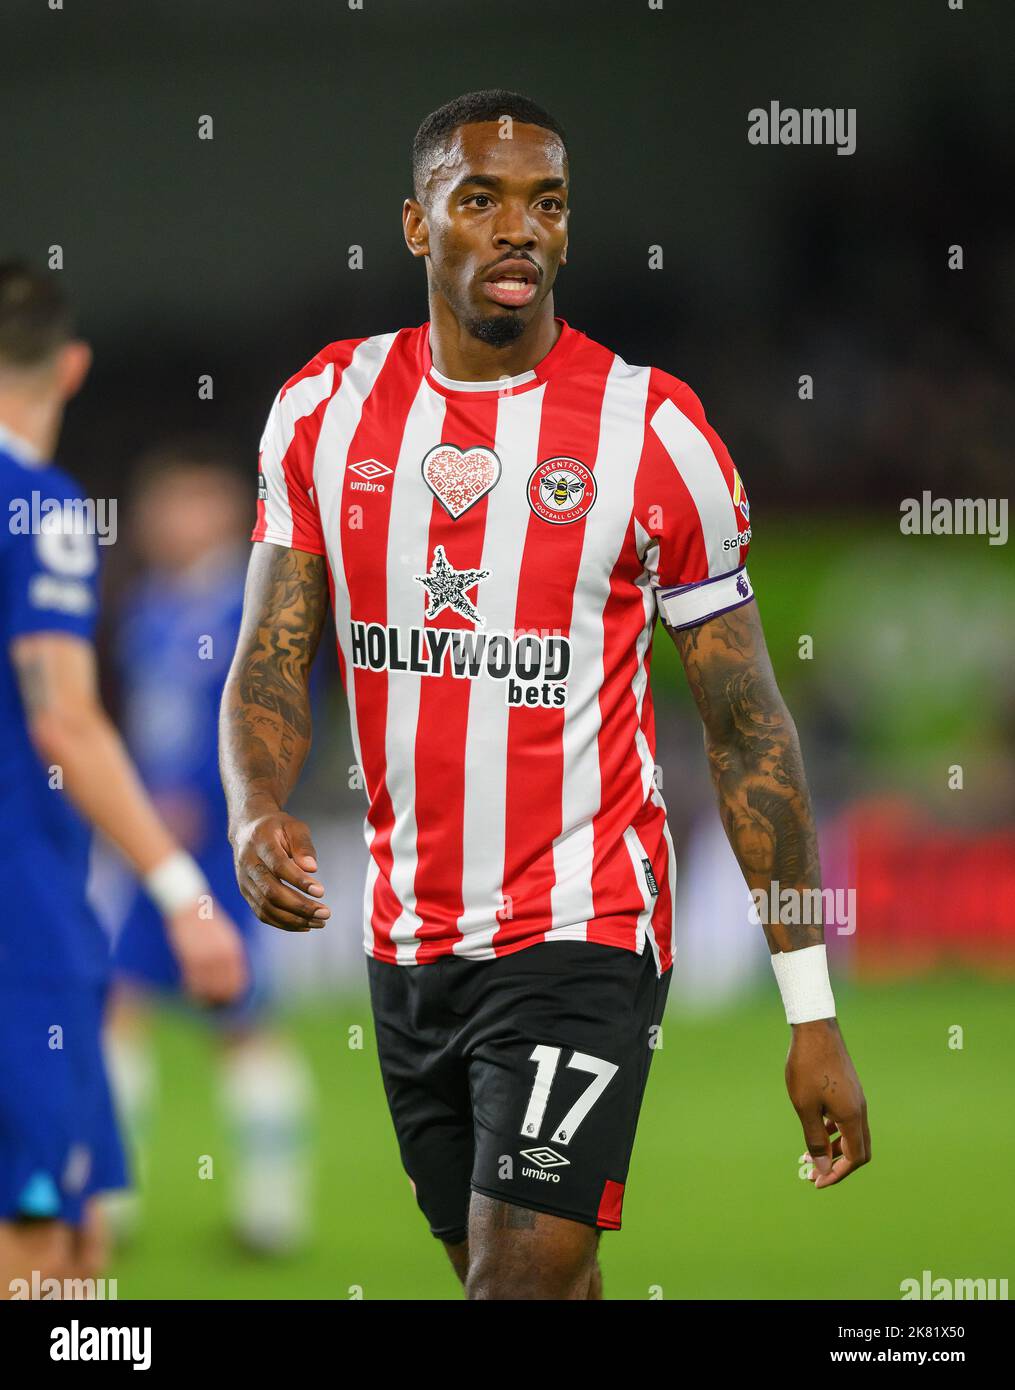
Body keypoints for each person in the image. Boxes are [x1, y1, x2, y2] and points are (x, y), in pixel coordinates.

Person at [219, 90, 870, 1301]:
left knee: (514, 1282)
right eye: (480, 201)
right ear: (417, 228)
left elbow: (747, 727)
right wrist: (254, 808)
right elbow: (269, 653)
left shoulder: (653, 433)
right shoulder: (324, 412)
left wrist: (809, 1008)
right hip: (408, 941)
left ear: (567, 234)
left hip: (583, 927)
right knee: (528, 1282)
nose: (519, 228)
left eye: (547, 205)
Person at [0, 262, 247, 1298]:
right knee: (50, 1254)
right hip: (22, 922)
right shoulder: (38, 504)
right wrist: (182, 890)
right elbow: (62, 714)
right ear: (72, 366)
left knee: (80, 1242)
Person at [101, 448, 314, 1255]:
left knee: (237, 1019)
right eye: (158, 505)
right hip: (155, 843)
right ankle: (115, 1205)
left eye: (181, 503)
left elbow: (287, 707)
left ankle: (272, 1214)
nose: (163, 521)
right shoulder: (153, 605)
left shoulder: (250, 603)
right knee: (122, 1005)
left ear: (223, 512)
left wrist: (231, 802)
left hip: (219, 846)